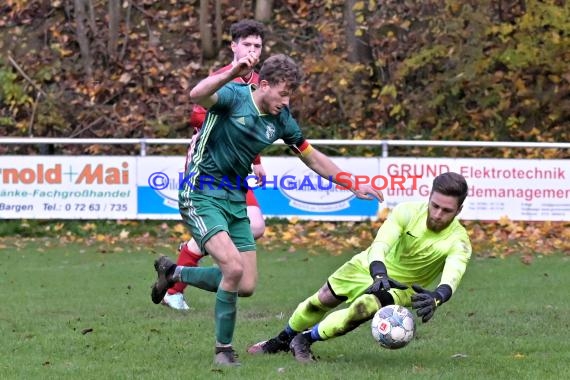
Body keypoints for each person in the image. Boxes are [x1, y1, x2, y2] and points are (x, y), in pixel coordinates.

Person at [150, 53, 384, 366]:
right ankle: (223, 351)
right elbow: (197, 94)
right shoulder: (234, 96)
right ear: (264, 85)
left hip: (235, 197)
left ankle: (174, 272)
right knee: (232, 270)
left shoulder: (283, 120)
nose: (286, 102)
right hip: (201, 193)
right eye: (283, 93)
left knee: (245, 284)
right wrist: (233, 70)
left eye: (291, 95)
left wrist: (350, 181)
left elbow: (311, 156)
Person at [246, 172, 472, 363]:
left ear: (459, 210)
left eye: (447, 210)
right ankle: (282, 340)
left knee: (363, 308)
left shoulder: (458, 241)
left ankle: (305, 339)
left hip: (402, 287)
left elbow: (453, 276)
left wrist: (436, 297)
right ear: (429, 197)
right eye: (435, 206)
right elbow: (380, 244)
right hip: (369, 266)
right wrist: (379, 273)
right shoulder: (407, 212)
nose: (438, 214)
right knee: (321, 300)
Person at [162, 19, 267, 311]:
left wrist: (256, 159)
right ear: (234, 47)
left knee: (256, 225)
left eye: (257, 45)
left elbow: (252, 126)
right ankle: (175, 287)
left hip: (234, 171)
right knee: (243, 229)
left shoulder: (259, 83)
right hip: (207, 167)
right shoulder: (224, 77)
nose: (252, 50)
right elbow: (198, 114)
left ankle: (191, 252)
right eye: (246, 44)